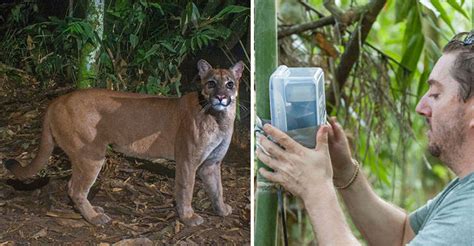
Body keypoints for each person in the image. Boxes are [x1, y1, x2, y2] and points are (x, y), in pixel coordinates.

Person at [256, 31, 474, 245]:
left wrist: (316, 189)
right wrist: (343, 171)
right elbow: (402, 236)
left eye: (436, 95)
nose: (421, 107)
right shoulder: (465, 190)